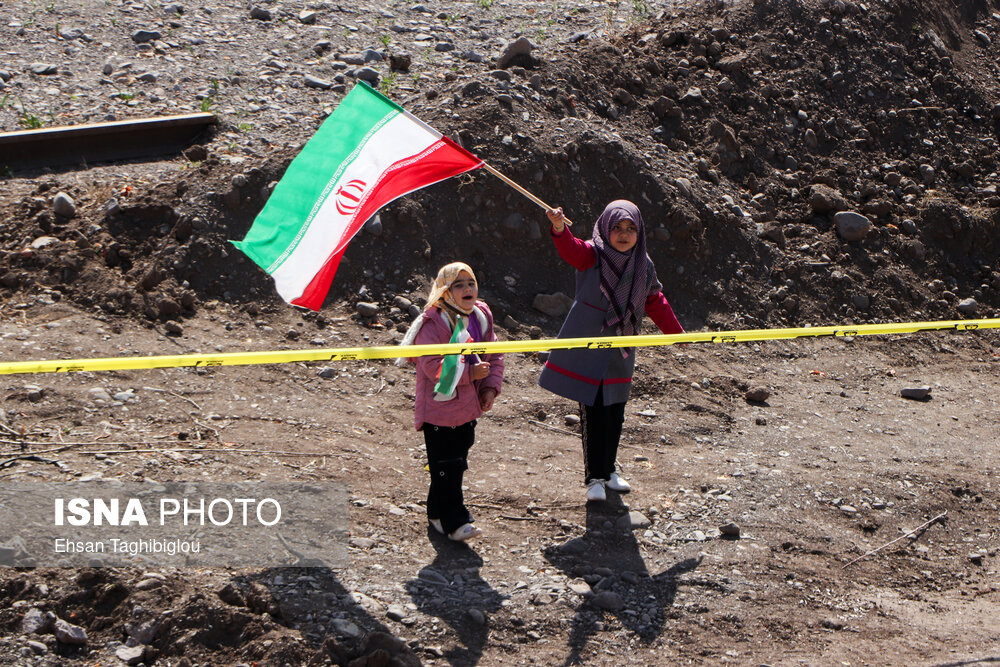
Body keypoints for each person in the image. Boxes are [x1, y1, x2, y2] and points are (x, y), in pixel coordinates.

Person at [540, 200, 684, 502]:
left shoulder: (643, 264)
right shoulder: (593, 254)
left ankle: (609, 469)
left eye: (630, 228)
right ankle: (594, 477)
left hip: (621, 346)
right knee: (593, 413)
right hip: (588, 345)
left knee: (616, 411)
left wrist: (677, 335)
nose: (624, 234)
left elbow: (655, 301)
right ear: (606, 228)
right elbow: (571, 250)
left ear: (639, 231)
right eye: (617, 227)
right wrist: (559, 227)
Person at [399, 262, 504, 541]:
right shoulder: (432, 323)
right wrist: (470, 374)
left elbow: (495, 354)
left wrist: (489, 388)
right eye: (458, 285)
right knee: (447, 465)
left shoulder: (481, 315)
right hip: (438, 410)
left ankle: (436, 513)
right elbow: (432, 367)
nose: (467, 289)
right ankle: (456, 522)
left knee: (454, 463)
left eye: (471, 283)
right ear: (445, 290)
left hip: (468, 408)